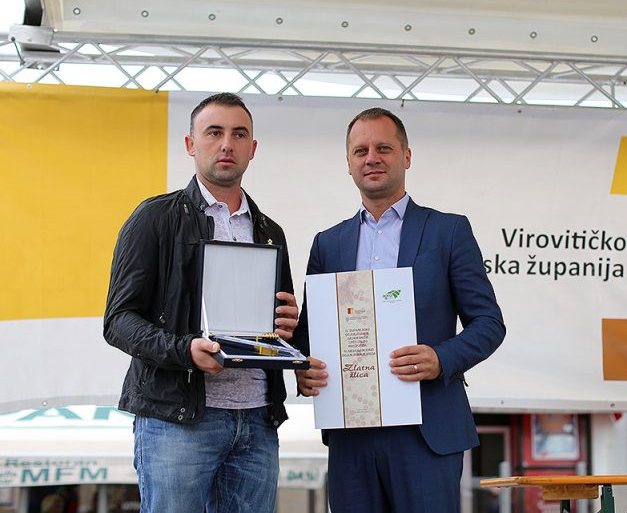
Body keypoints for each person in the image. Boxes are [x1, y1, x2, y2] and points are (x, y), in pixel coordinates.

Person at [295, 107, 506, 512]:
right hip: (351, 435)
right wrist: (303, 367)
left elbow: (489, 323)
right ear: (348, 163)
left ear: (406, 156)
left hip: (426, 432)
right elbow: (311, 333)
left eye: (384, 148)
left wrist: (440, 358)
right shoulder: (327, 243)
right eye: (361, 151)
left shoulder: (449, 231)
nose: (371, 158)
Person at [103, 92, 298, 513]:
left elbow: (277, 328)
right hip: (177, 419)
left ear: (252, 149)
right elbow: (118, 320)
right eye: (214, 132)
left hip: (258, 418)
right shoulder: (154, 218)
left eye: (239, 134)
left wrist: (288, 327)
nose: (227, 144)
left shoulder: (271, 232)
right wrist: (184, 350)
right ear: (191, 144)